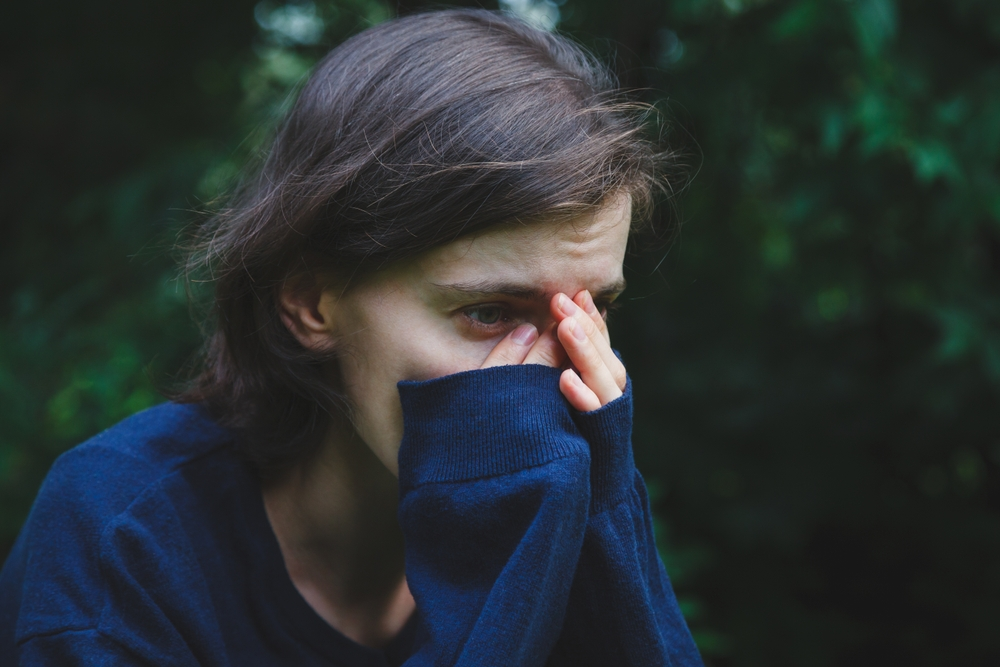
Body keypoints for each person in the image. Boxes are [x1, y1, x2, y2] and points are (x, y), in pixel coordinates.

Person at [0, 8, 703, 666]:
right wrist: (500, 615)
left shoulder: (568, 524)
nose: (553, 370)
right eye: (488, 312)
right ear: (312, 302)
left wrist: (610, 533)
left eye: (590, 311)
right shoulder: (123, 544)